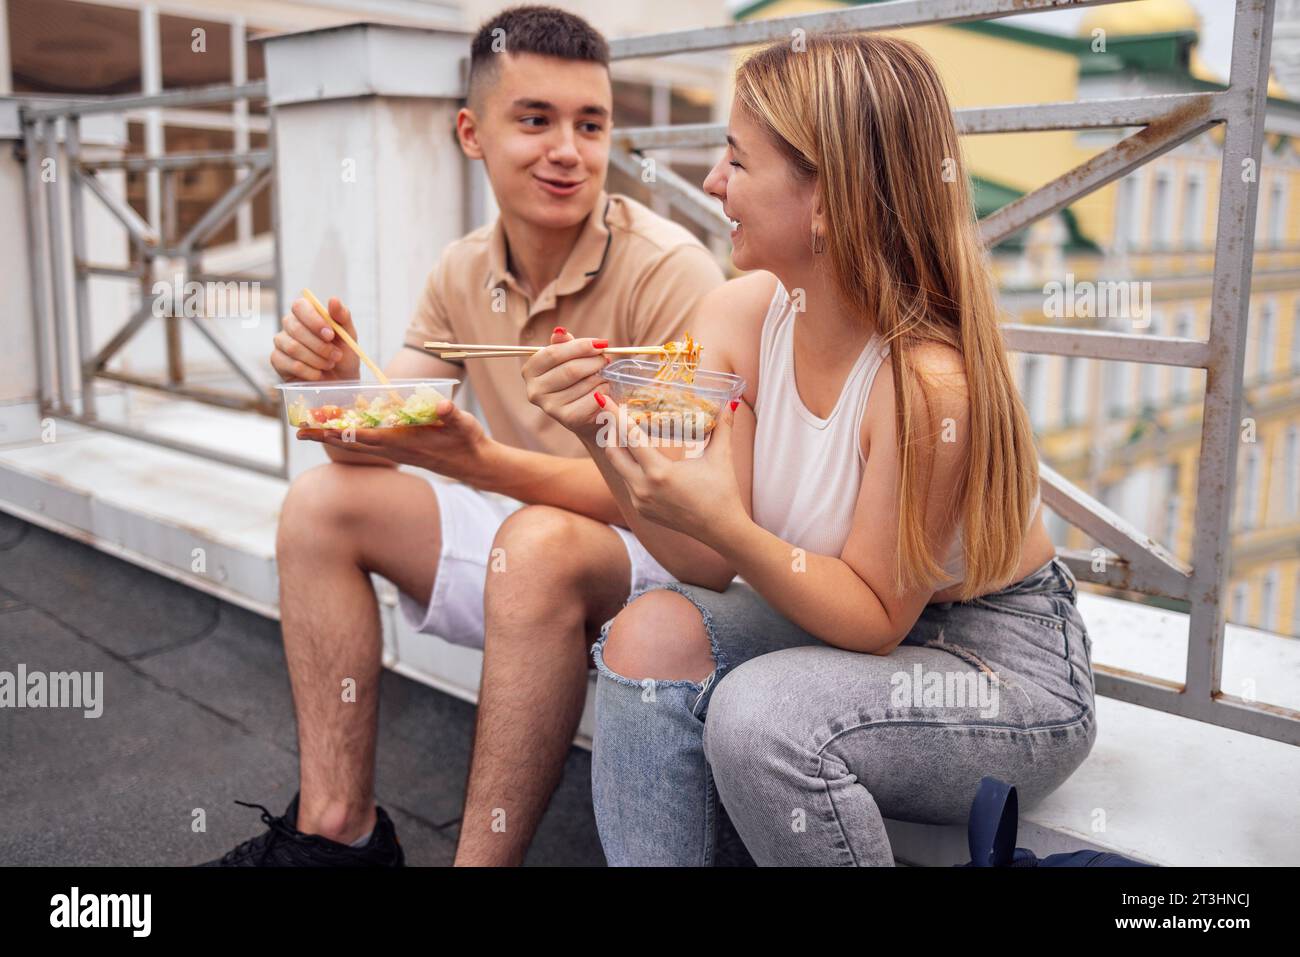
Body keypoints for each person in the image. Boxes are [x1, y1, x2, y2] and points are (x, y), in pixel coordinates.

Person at [520, 32, 1096, 866]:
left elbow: (871, 615)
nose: (712, 183)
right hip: (843, 626)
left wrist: (735, 527)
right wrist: (598, 429)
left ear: (827, 198)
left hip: (996, 664)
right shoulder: (742, 314)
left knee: (762, 717)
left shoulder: (926, 383)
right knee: (647, 631)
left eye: (736, 160)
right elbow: (702, 559)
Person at [201, 5, 723, 867]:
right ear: (471, 132)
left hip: (661, 554)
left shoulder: (671, 270)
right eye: (535, 119)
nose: (568, 150)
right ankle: (340, 835)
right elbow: (372, 440)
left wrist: (481, 462)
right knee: (323, 503)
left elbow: (682, 504)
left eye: (590, 124)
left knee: (539, 542)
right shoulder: (463, 269)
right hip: (532, 528)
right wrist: (332, 386)